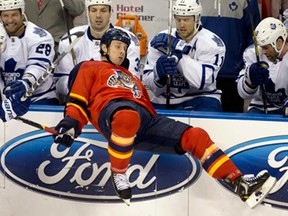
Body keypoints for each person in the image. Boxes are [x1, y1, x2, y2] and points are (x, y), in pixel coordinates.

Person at [53, 28, 276, 208]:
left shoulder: (131, 75)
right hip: (113, 112)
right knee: (127, 117)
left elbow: (148, 99)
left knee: (195, 136)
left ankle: (239, 182)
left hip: (145, 118)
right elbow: (77, 102)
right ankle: (119, 173)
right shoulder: (89, 67)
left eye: (124, 48)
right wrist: (70, 126)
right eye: (117, 47)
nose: (122, 52)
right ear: (104, 47)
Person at [143, 0, 225, 111]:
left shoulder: (212, 43)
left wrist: (178, 55)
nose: (181, 24)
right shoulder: (160, 40)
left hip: (201, 97)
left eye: (186, 20)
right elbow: (149, 85)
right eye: (178, 19)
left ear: (197, 18)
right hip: (165, 99)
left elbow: (201, 81)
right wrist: (158, 75)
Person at [53, 0, 140, 104]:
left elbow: (133, 82)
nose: (98, 15)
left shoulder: (128, 39)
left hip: (114, 103)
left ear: (111, 12)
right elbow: (59, 83)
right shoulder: (70, 39)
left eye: (103, 10)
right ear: (87, 12)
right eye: (94, 10)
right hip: (79, 102)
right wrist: (80, 87)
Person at [200, 0, 261, 113]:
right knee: (205, 122)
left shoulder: (247, 1)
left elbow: (254, 36)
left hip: (233, 74)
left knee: (232, 124)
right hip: (204, 74)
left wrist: (246, 66)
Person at [0, 0, 58, 105]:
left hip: (39, 98)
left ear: (22, 14)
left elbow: (39, 66)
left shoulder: (40, 36)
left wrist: (26, 82)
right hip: (7, 100)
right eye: (5, 15)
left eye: (14, 15)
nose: (10, 20)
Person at [237, 17, 288, 114]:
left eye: (266, 47)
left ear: (279, 42)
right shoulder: (251, 53)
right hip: (259, 107)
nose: (263, 52)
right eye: (261, 47)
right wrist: (250, 80)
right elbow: (242, 94)